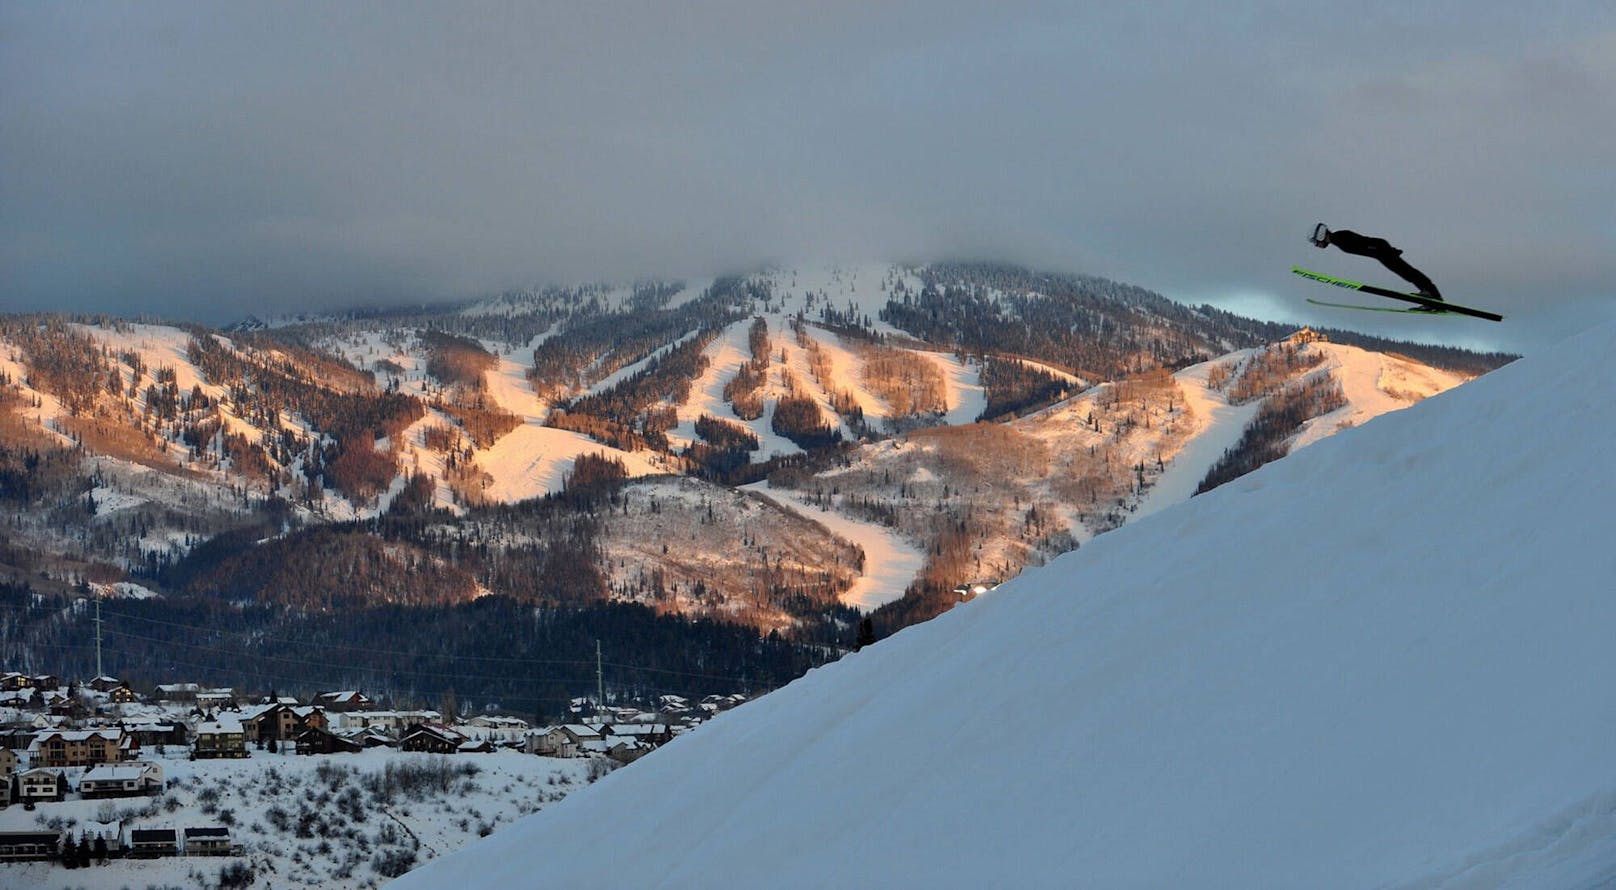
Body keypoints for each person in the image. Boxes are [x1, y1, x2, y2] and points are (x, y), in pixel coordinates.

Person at [1309, 224, 1443, 302]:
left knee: (1407, 272)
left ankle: (1432, 294)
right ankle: (1429, 295)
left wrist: (1386, 251)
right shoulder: (1337, 238)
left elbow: (1363, 242)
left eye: (1316, 241)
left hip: (1380, 250)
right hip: (1379, 251)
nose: (1317, 245)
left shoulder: (1339, 238)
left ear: (1321, 236)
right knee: (1406, 273)